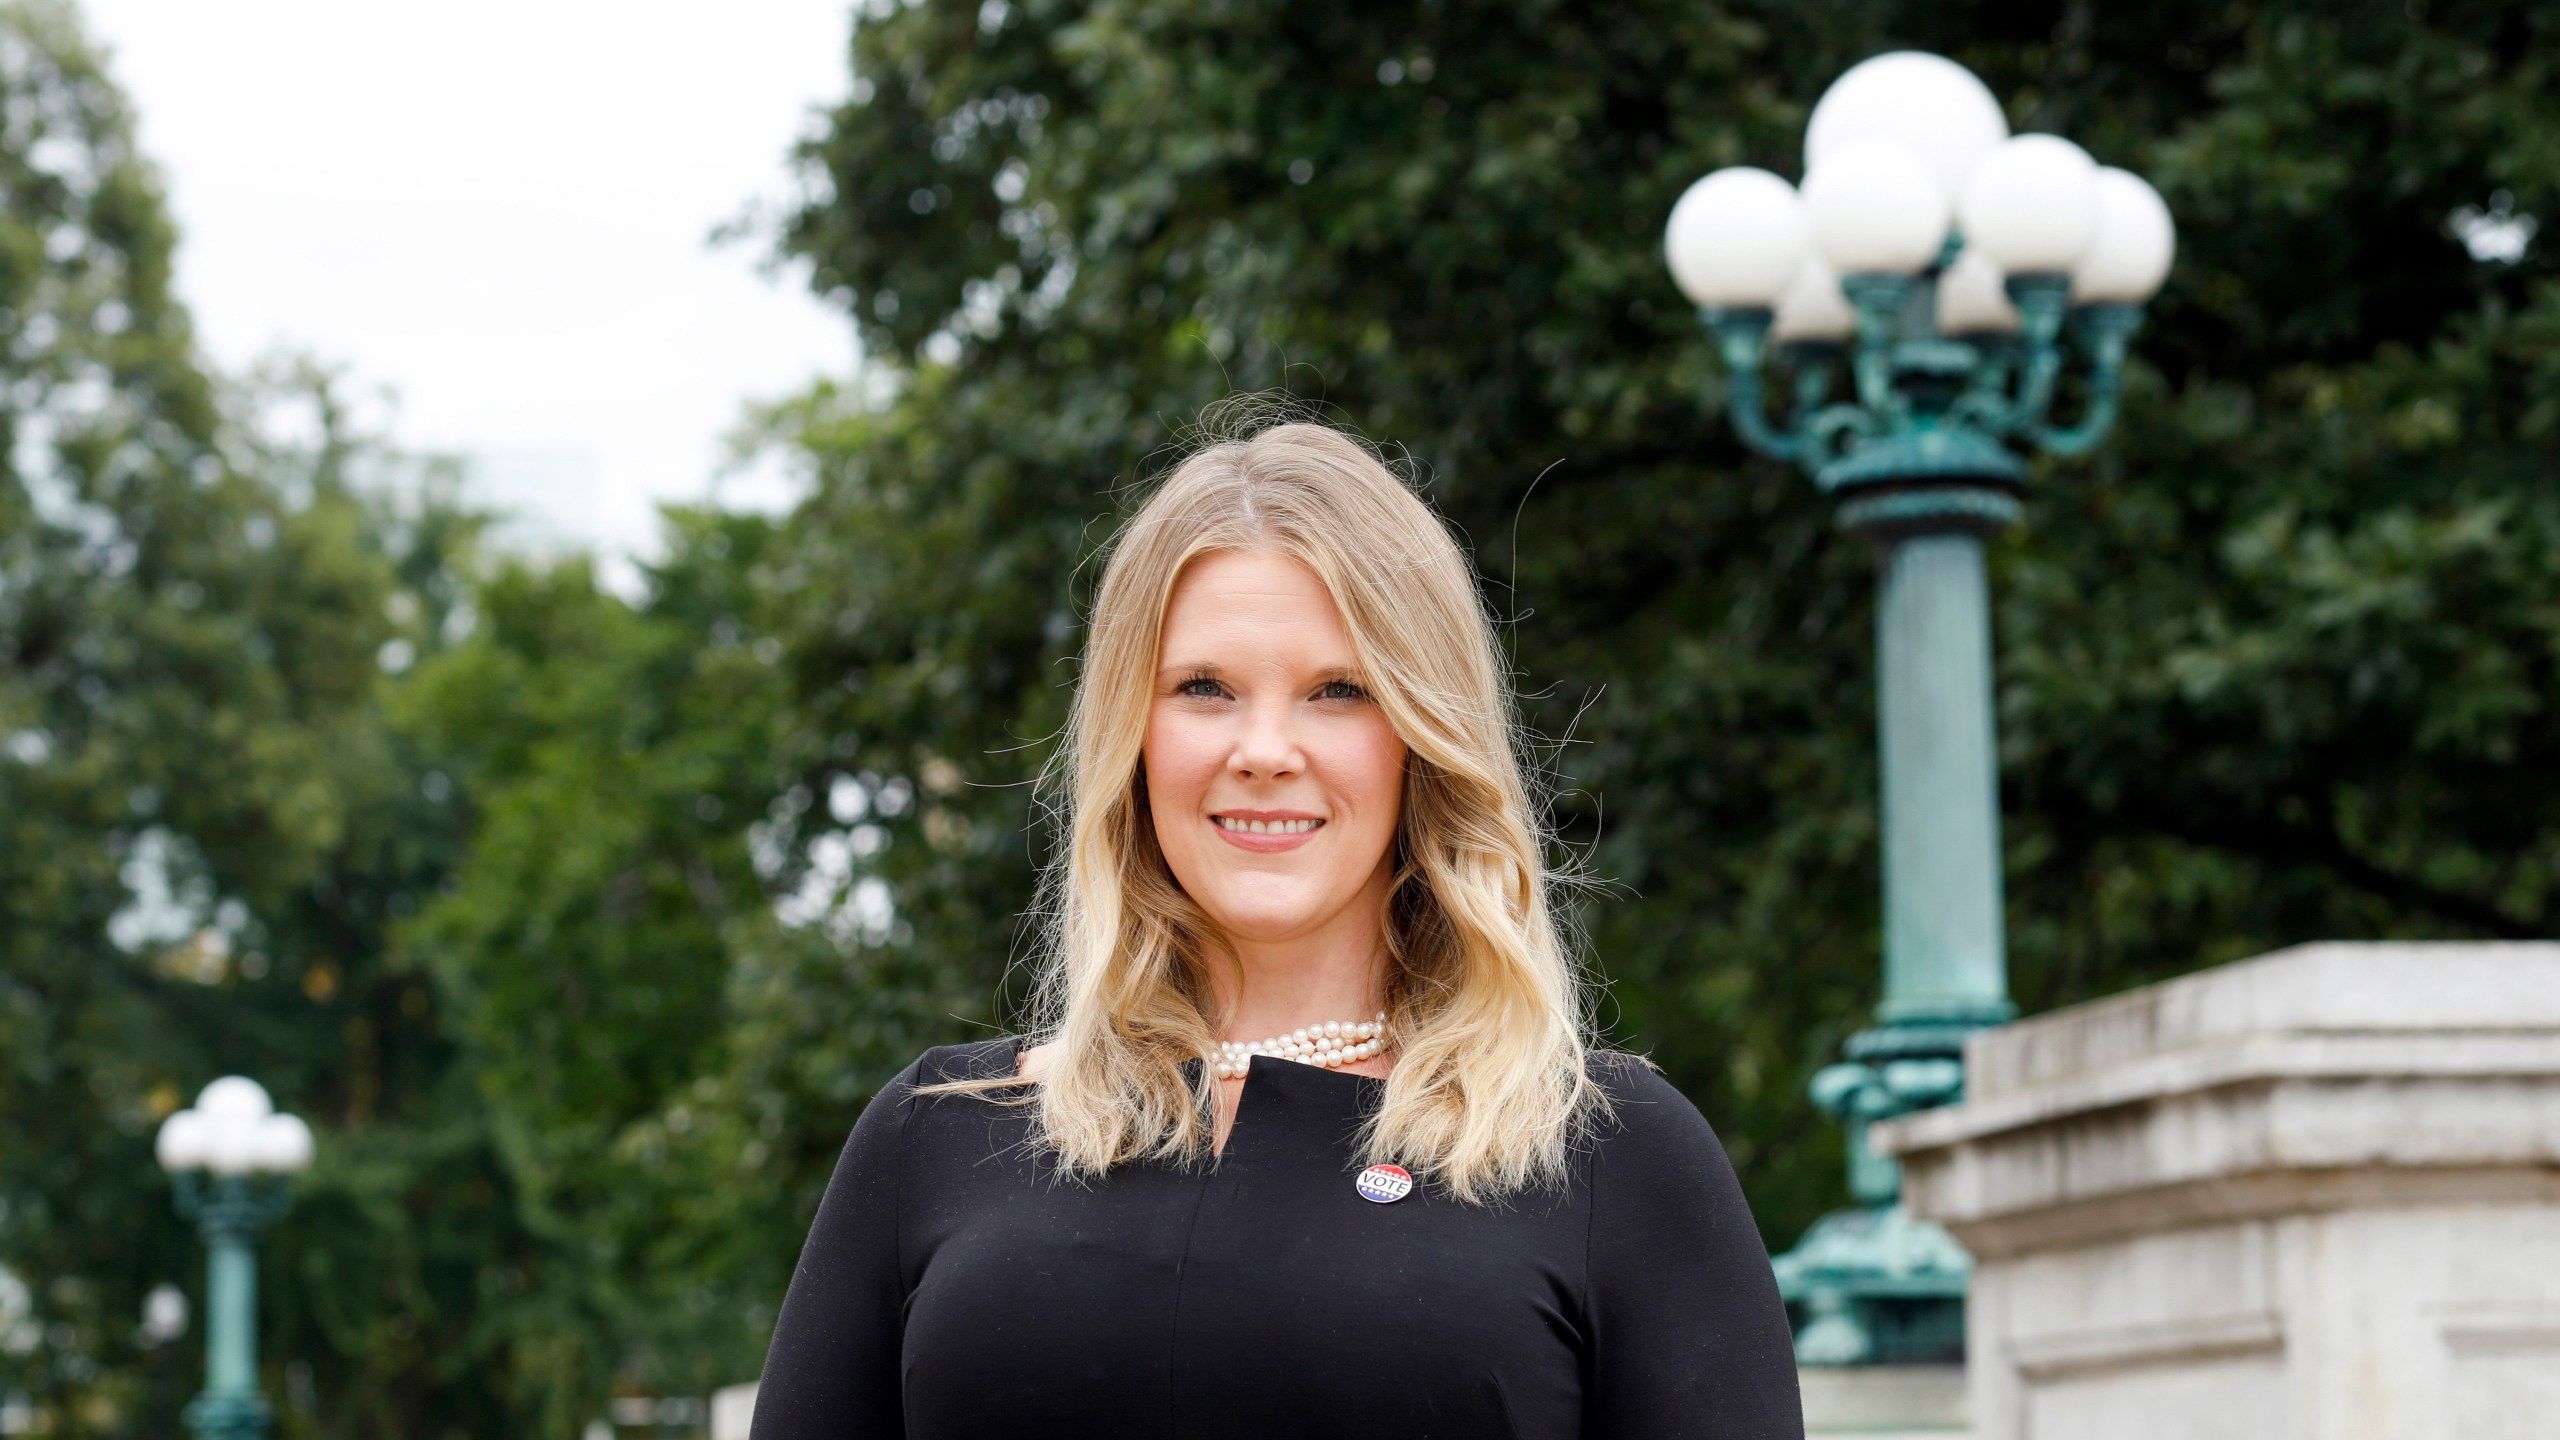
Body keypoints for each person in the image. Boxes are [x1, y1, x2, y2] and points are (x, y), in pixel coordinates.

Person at [749, 418, 1802, 1438]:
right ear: (1133, 732)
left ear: (1420, 740)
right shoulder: (931, 1137)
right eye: (1203, 687)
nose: (1264, 748)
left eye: (1337, 692)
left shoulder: (1610, 1157)